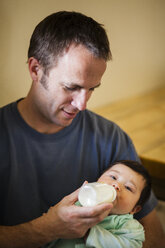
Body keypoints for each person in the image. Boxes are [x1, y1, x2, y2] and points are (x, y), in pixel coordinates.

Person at [0, 11, 164, 248]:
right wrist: (48, 228)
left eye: (92, 89)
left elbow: (154, 237)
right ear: (36, 69)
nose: (82, 105)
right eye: (71, 87)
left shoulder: (111, 138)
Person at [43, 160, 152, 248]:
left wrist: (88, 231)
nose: (116, 185)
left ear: (134, 209)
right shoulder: (76, 205)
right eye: (113, 177)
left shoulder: (130, 227)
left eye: (128, 187)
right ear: (98, 180)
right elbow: (50, 232)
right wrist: (52, 219)